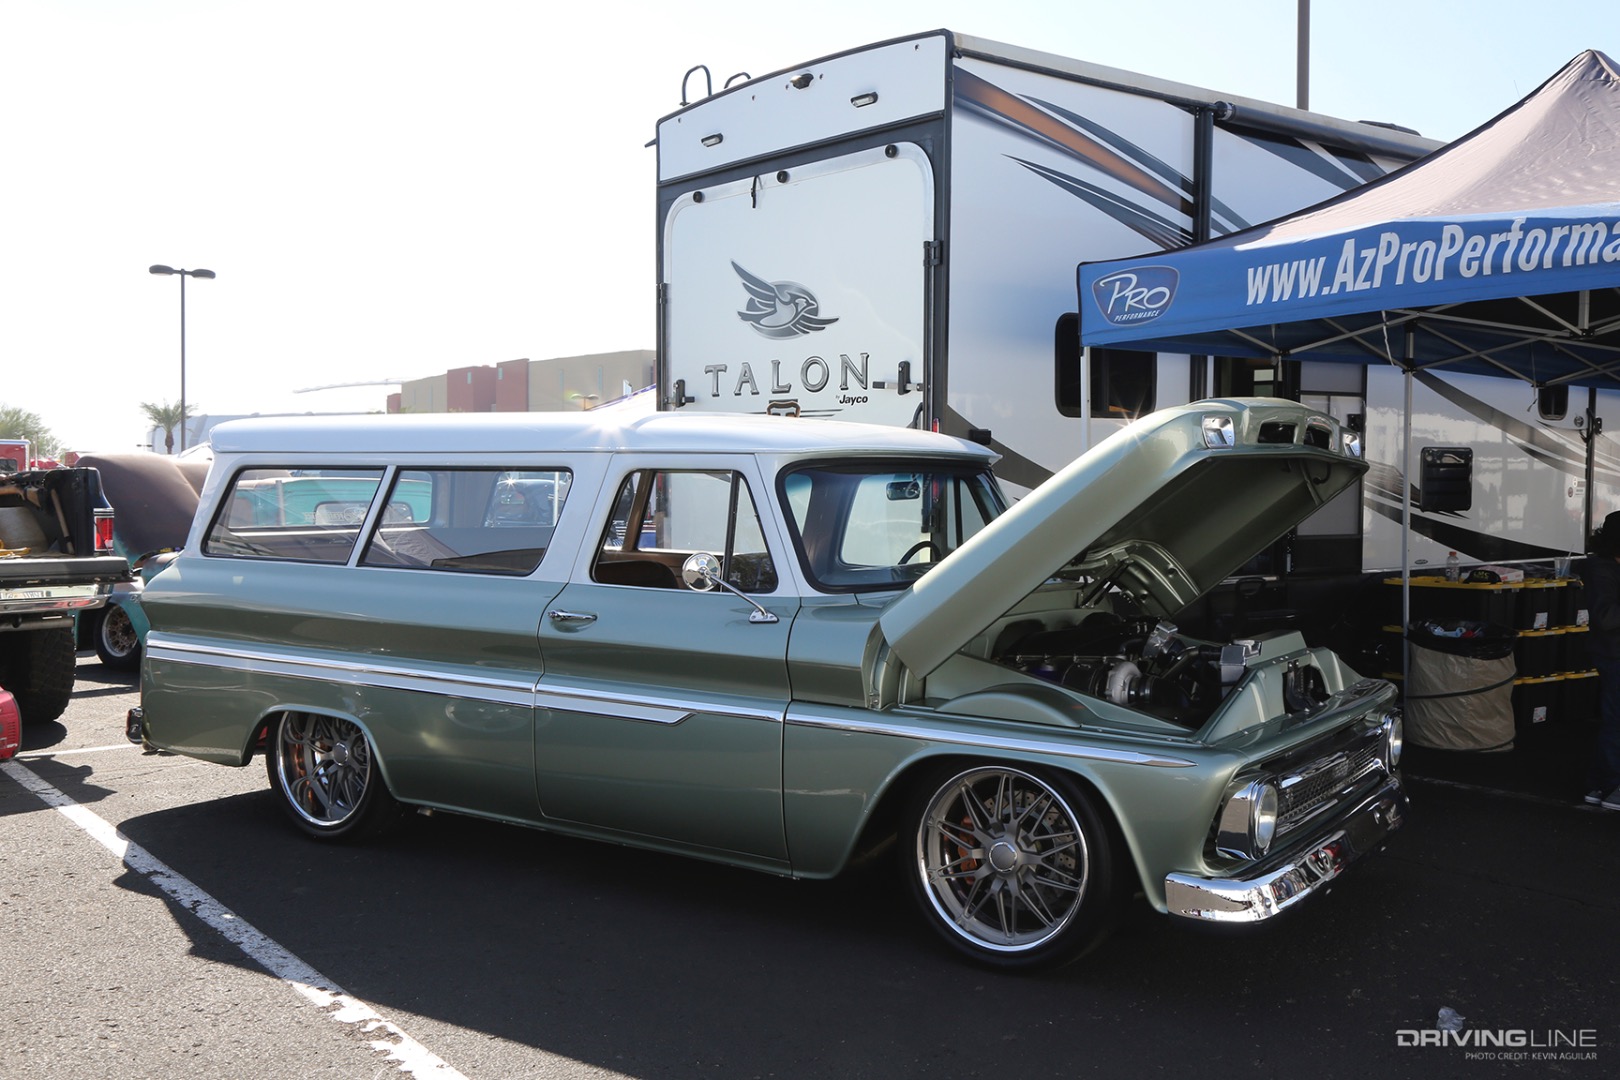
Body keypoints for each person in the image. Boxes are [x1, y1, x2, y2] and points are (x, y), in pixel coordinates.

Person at [1581, 511, 1620, 810]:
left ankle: (1598, 785)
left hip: (1611, 652)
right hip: (1612, 653)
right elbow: (1606, 617)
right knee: (1615, 721)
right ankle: (1611, 786)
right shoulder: (1600, 568)